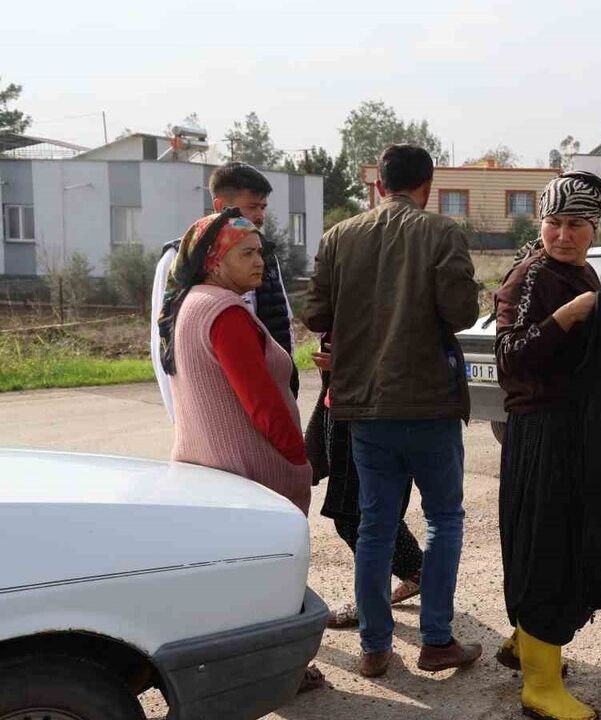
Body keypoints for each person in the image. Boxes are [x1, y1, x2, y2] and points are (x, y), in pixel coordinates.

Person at [495, 171, 601, 720]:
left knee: (561, 542)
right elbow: (510, 358)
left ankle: (528, 645)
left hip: (571, 433)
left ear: (593, 229)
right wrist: (565, 319)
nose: (562, 234)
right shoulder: (530, 278)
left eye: (575, 225)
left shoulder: (579, 271)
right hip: (542, 435)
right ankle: (539, 687)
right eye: (553, 223)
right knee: (548, 548)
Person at [302, 144, 481, 679]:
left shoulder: (338, 237)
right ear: (428, 186)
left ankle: (375, 648)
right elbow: (463, 311)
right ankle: (436, 641)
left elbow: (315, 314)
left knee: (376, 525)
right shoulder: (443, 234)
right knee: (443, 520)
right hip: (430, 405)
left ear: (378, 185)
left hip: (364, 408)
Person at [157, 209, 325, 693]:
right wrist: (298, 458)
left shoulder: (191, 302)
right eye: (246, 253)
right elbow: (262, 405)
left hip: (209, 465)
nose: (260, 262)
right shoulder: (224, 312)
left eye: (260, 251)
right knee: (269, 584)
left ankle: (250, 674)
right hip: (253, 473)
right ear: (214, 259)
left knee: (234, 585)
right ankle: (276, 674)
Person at [151, 162, 295, 419]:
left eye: (263, 207)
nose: (260, 216)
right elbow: (164, 340)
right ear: (220, 206)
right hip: (212, 407)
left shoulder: (266, 258)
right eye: (252, 207)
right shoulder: (180, 260)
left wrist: (287, 389)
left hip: (266, 398)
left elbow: (283, 322)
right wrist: (181, 417)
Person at [303, 350, 423, 629]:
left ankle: (375, 609)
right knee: (365, 513)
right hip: (345, 400)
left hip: (371, 405)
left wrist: (352, 362)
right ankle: (411, 576)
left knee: (357, 517)